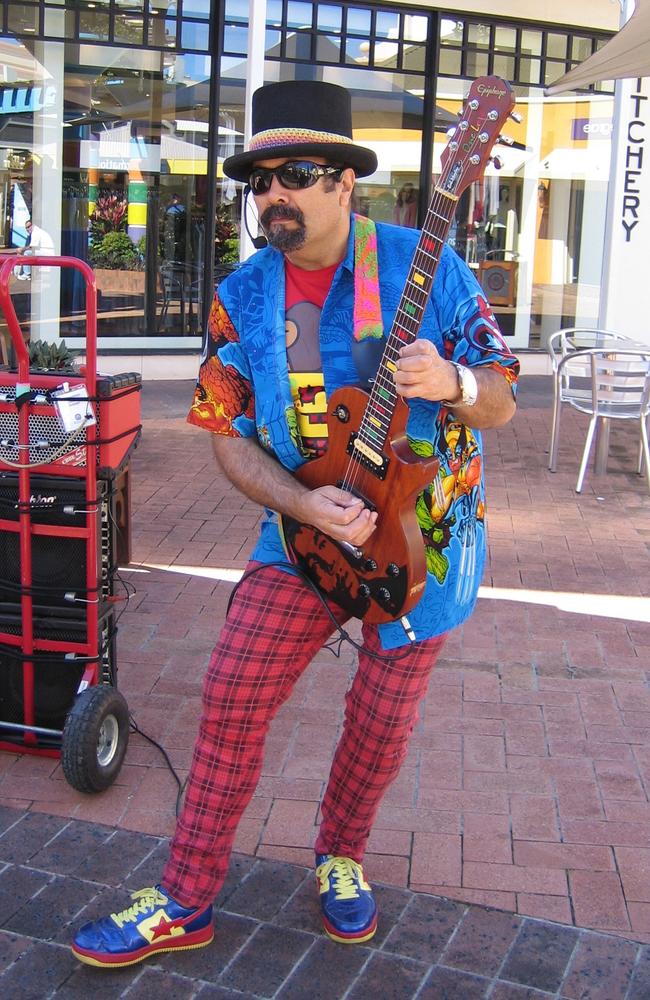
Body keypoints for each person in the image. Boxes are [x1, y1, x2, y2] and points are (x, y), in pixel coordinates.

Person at [71, 79, 519, 968]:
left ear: (345, 184)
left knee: (380, 722)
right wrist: (303, 503)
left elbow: (502, 397)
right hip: (303, 536)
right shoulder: (242, 297)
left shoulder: (427, 266)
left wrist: (457, 386)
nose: (274, 192)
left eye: (298, 173)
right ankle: (189, 896)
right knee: (233, 692)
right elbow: (226, 436)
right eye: (260, 179)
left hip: (418, 548)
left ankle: (341, 856)